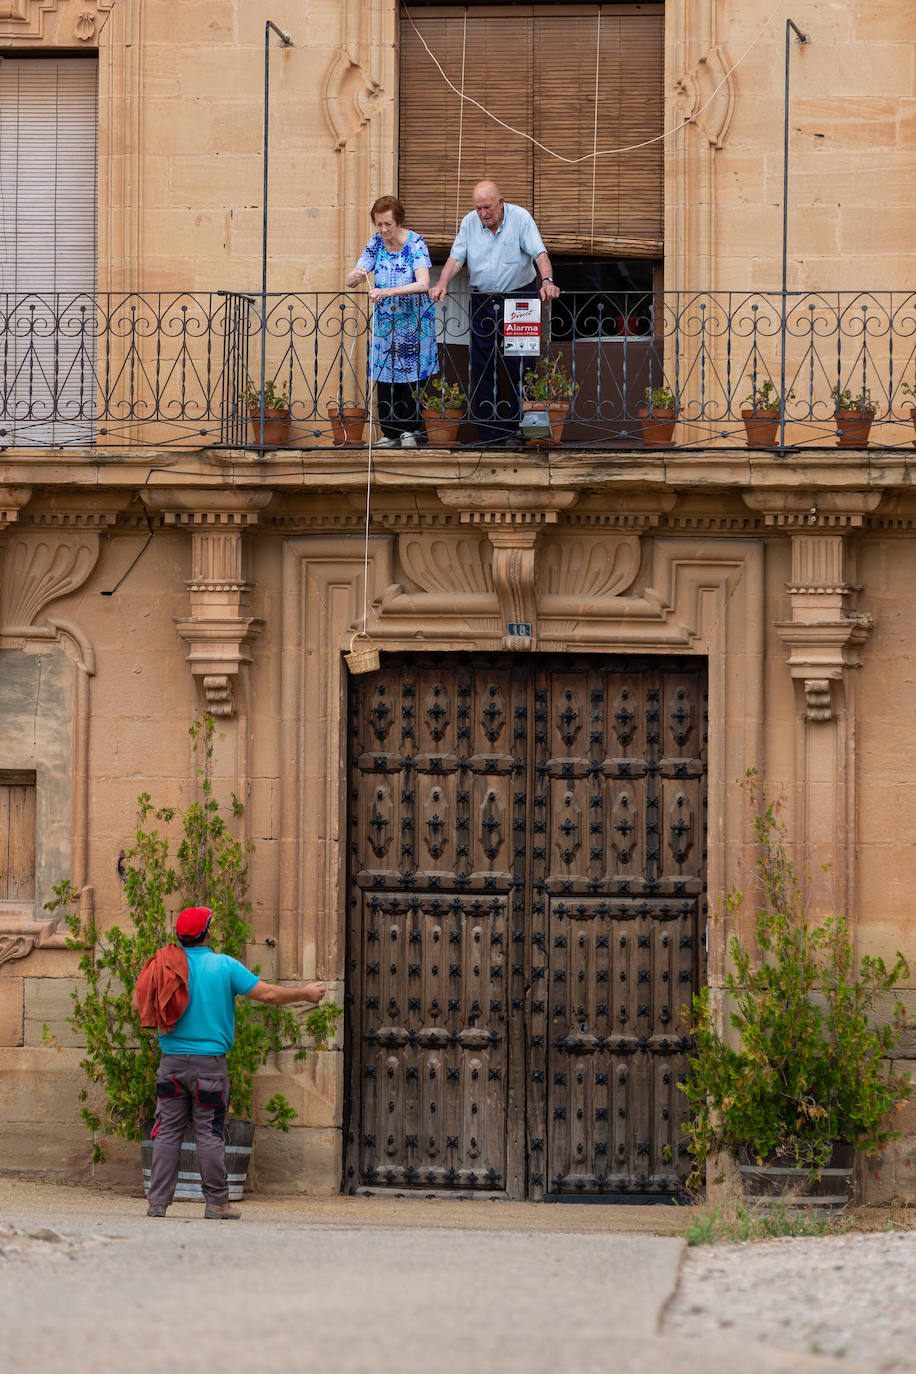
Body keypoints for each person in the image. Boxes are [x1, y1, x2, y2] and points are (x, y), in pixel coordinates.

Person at [143, 905, 326, 1220]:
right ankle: (216, 1204)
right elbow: (267, 994)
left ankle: (157, 1203)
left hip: (171, 1064)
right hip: (209, 1067)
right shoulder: (224, 966)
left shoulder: (164, 966)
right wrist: (305, 994)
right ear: (207, 933)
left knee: (168, 1130)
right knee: (209, 1132)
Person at [429, 180, 560, 447]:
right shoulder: (469, 222)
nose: (483, 214)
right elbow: (456, 258)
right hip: (482, 298)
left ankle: (517, 430)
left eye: (487, 207)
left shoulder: (521, 217)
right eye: (478, 208)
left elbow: (540, 254)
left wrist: (546, 280)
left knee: (521, 363)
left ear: (501, 202)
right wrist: (442, 282)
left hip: (520, 297)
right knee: (482, 364)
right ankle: (488, 433)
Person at [345, 195, 438, 449]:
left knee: (410, 376)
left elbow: (423, 283)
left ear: (398, 222)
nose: (384, 230)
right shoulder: (376, 243)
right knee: (385, 374)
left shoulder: (415, 243)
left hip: (414, 322)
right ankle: (389, 432)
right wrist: (354, 276)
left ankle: (410, 430)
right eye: (379, 224)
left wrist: (386, 292)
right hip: (387, 323)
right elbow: (352, 278)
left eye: (388, 224)